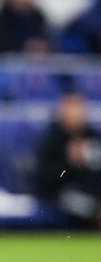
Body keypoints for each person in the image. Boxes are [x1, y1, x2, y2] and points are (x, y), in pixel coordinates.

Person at [34, 91, 101, 228]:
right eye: (71, 108)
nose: (76, 113)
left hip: (93, 191)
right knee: (85, 206)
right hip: (63, 192)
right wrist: (70, 163)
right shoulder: (53, 140)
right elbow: (45, 177)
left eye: (79, 108)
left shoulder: (93, 137)